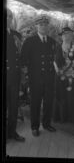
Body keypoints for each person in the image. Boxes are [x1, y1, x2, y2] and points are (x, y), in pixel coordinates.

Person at [21, 15, 56, 137]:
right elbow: (23, 61)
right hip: (35, 79)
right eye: (41, 25)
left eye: (46, 25)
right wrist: (26, 78)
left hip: (49, 79)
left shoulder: (52, 41)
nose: (44, 27)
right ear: (36, 26)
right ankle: (34, 126)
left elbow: (56, 60)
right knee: (35, 104)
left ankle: (46, 124)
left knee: (48, 103)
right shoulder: (29, 41)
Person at [53, 27, 74, 127]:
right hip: (60, 77)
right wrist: (59, 70)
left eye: (69, 34)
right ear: (61, 36)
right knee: (62, 97)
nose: (67, 36)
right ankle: (63, 117)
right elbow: (53, 61)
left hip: (73, 76)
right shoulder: (57, 47)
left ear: (72, 35)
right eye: (64, 34)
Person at [6, 8, 25, 142]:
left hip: (15, 77)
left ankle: (12, 132)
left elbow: (20, 57)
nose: (8, 18)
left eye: (10, 16)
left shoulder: (16, 35)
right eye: (6, 16)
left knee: (13, 107)